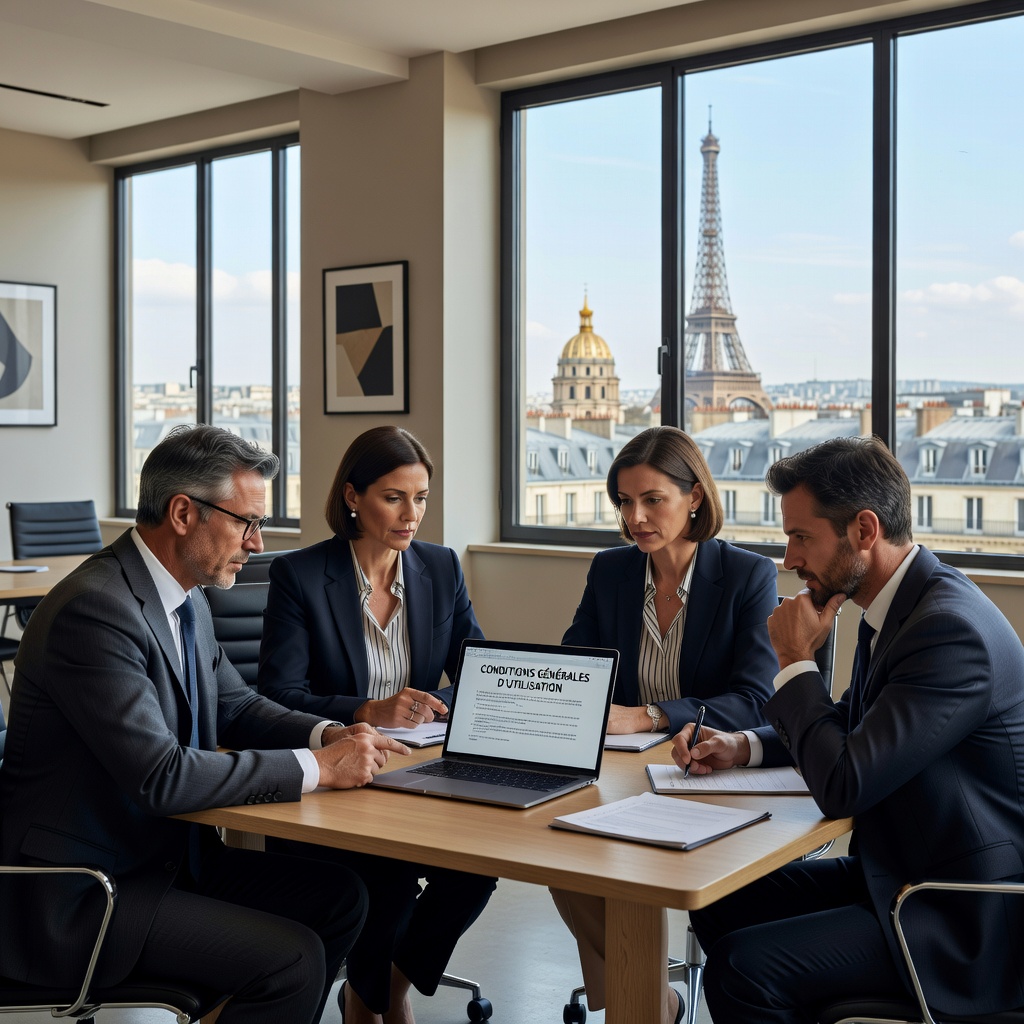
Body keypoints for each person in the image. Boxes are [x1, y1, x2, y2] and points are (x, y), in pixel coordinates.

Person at [0, 424, 411, 1024]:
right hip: (85, 892)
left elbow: (236, 706)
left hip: (160, 860)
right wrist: (317, 769)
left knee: (343, 898)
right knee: (289, 960)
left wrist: (329, 734)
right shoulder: (95, 610)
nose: (257, 541)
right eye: (246, 522)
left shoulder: (183, 595)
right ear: (184, 513)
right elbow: (162, 777)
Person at [676, 435, 1024, 1023]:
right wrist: (745, 745)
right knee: (719, 897)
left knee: (743, 967)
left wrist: (793, 661)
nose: (788, 559)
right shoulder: (899, 605)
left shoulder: (946, 632)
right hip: (898, 873)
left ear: (864, 530)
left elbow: (844, 783)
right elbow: (854, 728)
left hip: (963, 916)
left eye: (801, 537)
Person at [258, 425, 496, 1024]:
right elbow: (278, 696)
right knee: (383, 878)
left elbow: (479, 668)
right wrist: (366, 710)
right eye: (394, 497)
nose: (411, 514)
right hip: (340, 774)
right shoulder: (302, 576)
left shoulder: (439, 568)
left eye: (420, 498)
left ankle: (379, 989)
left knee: (476, 868)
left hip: (420, 770)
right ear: (351, 497)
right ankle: (372, 1006)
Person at [551, 425, 779, 1024]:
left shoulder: (747, 576)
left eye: (654, 499)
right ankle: (651, 1004)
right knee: (559, 851)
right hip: (620, 771)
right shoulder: (612, 571)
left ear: (695, 497)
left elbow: (755, 698)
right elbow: (578, 668)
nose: (636, 517)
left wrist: (651, 715)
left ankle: (642, 1005)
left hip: (711, 769)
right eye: (625, 502)